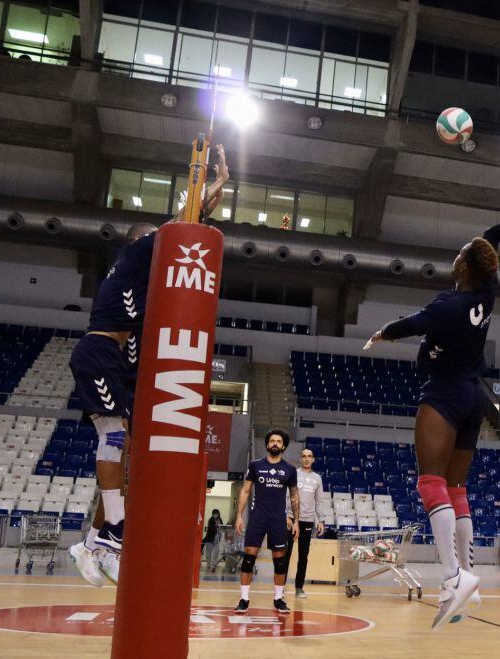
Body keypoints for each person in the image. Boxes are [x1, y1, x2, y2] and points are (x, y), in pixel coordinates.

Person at [368, 207, 500, 630]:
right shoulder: (487, 290)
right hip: (475, 397)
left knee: (430, 481)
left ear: (464, 265)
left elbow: (411, 324)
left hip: (443, 393)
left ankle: (452, 576)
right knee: (456, 487)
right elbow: (491, 238)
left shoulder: (449, 303)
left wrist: (382, 333)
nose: (456, 256)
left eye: (459, 254)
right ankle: (469, 578)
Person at [67, 144, 230, 588]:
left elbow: (191, 226)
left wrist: (212, 199)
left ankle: (95, 541)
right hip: (97, 353)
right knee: (114, 436)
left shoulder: (140, 289)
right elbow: (181, 224)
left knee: (128, 457)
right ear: (143, 244)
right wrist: (212, 186)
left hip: (113, 362)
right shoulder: (136, 255)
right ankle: (115, 535)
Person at [234, 429, 299, 614]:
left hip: (278, 520)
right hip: (257, 518)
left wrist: (296, 521)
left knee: (280, 562)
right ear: (267, 444)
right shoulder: (255, 466)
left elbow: (294, 496)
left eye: (279, 441)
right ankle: (244, 599)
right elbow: (245, 491)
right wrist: (239, 515)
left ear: (284, 446)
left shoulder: (290, 469)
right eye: (272, 441)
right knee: (248, 559)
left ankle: (278, 599)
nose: (275, 444)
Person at [287, 448, 326, 598]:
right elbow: (287, 495)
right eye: (304, 456)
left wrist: (320, 520)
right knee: (286, 554)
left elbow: (319, 501)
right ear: (300, 459)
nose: (307, 459)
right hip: (291, 519)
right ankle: (280, 588)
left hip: (307, 520)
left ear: (313, 459)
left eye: (309, 456)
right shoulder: (294, 474)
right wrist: (287, 516)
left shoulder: (317, 478)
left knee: (303, 556)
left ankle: (299, 588)